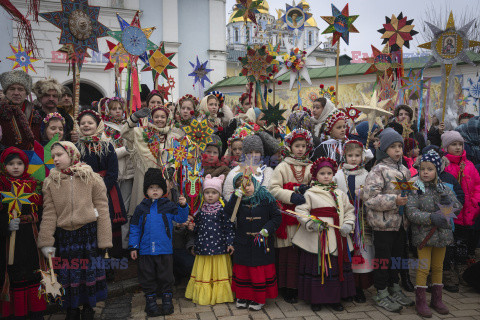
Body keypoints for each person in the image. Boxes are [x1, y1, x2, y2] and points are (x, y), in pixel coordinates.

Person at [38, 141, 112, 320]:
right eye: (53, 156)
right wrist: (46, 240)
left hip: (87, 234)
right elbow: (49, 212)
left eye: (59, 155)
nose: (55, 159)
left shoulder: (91, 177)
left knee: (87, 272)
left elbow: (102, 208)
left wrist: (104, 239)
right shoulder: (51, 182)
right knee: (69, 274)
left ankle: (88, 306)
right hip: (66, 236)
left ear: (72, 154)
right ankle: (72, 308)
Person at [293, 157, 355, 311]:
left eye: (329, 173)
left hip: (337, 236)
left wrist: (348, 223)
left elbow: (349, 210)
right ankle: (316, 299)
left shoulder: (340, 193)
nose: (326, 176)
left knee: (334, 268)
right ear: (315, 175)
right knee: (319, 267)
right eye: (322, 173)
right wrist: (310, 223)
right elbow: (301, 211)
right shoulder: (310, 193)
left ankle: (335, 299)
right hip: (317, 238)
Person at [363, 128, 413, 313]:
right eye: (393, 147)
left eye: (400, 146)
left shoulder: (405, 171)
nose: (398, 150)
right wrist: (394, 201)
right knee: (383, 260)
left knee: (397, 258)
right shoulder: (378, 170)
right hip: (383, 225)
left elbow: (408, 193)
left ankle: (395, 287)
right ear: (384, 149)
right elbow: (369, 198)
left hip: (400, 224)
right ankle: (381, 291)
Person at [406, 150, 462, 317]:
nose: (425, 172)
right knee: (423, 268)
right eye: (422, 169)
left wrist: (448, 205)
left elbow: (457, 208)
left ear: (437, 170)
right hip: (423, 235)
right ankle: (421, 302)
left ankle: (437, 299)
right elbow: (411, 212)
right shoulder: (415, 188)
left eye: (430, 169)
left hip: (442, 235)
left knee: (438, 267)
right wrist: (431, 218)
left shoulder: (443, 188)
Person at [128, 168, 189, 316]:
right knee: (147, 276)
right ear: (146, 191)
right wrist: (133, 247)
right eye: (151, 188)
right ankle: (151, 303)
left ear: (163, 190)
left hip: (164, 250)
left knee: (166, 276)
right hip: (146, 250)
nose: (155, 191)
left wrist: (183, 206)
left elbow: (180, 219)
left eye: (158, 188)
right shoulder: (141, 208)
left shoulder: (168, 206)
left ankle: (167, 301)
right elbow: (135, 228)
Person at [268, 128, 313, 304]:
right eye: (297, 146)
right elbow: (273, 189)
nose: (300, 149)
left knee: (302, 253)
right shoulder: (282, 166)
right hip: (287, 217)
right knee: (288, 253)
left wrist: (307, 192)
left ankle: (300, 286)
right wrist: (291, 194)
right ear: (290, 147)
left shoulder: (311, 166)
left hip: (305, 215)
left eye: (303, 146)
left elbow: (317, 184)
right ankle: (287, 287)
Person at [0, 148, 45, 319]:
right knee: (15, 272)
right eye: (11, 164)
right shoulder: (2, 185)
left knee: (33, 270)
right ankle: (17, 313)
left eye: (19, 163)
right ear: (4, 166)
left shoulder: (33, 184)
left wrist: (33, 217)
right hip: (10, 240)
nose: (16, 167)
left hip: (31, 238)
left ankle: (36, 311)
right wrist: (6, 224)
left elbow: (42, 210)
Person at [225, 173, 282, 311]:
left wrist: (267, 230)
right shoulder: (239, 200)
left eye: (249, 185)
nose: (247, 189)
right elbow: (228, 215)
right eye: (242, 187)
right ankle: (242, 296)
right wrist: (234, 198)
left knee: (258, 271)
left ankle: (258, 298)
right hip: (243, 242)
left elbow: (276, 217)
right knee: (243, 270)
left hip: (262, 242)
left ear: (255, 184)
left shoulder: (266, 198)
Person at [76, 110, 127, 261]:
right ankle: (94, 258)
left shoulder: (107, 146)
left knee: (109, 222)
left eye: (90, 123)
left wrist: (100, 189)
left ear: (98, 125)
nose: (86, 125)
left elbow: (112, 172)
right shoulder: (76, 148)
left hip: (107, 190)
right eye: (83, 123)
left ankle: (112, 259)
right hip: (85, 191)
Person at [120, 105, 183, 216]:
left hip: (164, 179)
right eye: (156, 116)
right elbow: (124, 133)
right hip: (144, 177)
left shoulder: (174, 136)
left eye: (163, 117)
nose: (159, 119)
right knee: (143, 213)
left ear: (167, 118)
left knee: (163, 213)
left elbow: (177, 156)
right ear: (151, 118)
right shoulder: (142, 133)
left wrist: (172, 168)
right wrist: (134, 118)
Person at [334, 140, 374, 304]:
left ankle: (358, 287)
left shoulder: (367, 175)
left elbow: (372, 193)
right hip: (344, 220)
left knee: (360, 251)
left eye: (357, 155)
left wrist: (364, 194)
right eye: (350, 155)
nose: (353, 159)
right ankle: (345, 286)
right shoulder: (338, 174)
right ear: (344, 156)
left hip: (362, 221)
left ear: (362, 157)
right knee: (346, 252)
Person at [185, 174, 235, 305]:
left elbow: (228, 227)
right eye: (207, 192)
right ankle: (205, 294)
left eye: (214, 192)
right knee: (205, 271)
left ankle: (220, 295)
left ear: (219, 194)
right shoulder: (200, 210)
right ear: (203, 194)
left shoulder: (223, 210)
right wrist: (192, 227)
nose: (210, 195)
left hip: (219, 247)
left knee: (219, 272)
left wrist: (230, 243)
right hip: (203, 247)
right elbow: (197, 228)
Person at [441, 131, 480, 286]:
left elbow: (477, 185)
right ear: (446, 147)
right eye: (453, 144)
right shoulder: (446, 166)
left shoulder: (469, 165)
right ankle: (449, 270)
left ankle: (462, 268)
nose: (457, 147)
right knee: (450, 243)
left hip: (468, 212)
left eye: (460, 144)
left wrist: (476, 202)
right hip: (452, 214)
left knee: (463, 243)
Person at [101, 97, 135, 251]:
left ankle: (125, 244)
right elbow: (108, 152)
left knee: (127, 209)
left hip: (128, 173)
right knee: (112, 209)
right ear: (108, 110)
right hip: (113, 175)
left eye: (119, 109)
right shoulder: (104, 129)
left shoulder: (128, 126)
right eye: (113, 109)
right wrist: (126, 150)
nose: (117, 111)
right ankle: (110, 245)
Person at [223, 134, 274, 202]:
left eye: (257, 152)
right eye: (250, 152)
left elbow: (272, 192)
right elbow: (228, 193)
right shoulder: (235, 172)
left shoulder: (268, 172)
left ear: (261, 154)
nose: (253, 155)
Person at [0, 70, 42, 149]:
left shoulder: (35, 113)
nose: (16, 93)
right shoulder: (1, 111)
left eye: (20, 89)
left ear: (26, 93)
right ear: (5, 92)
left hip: (30, 158)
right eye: (12, 89)